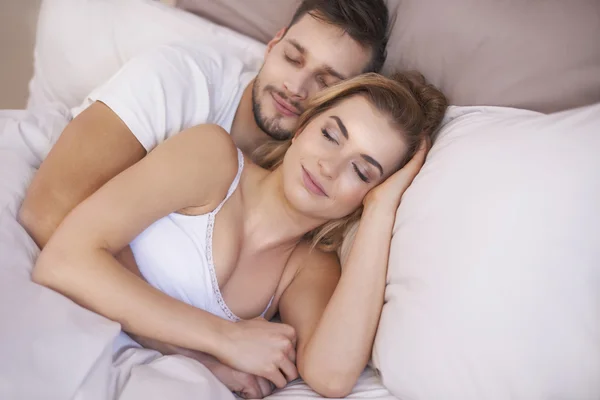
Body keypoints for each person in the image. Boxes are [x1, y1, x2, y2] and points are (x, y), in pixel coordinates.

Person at [31, 71, 448, 399]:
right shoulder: (212, 157)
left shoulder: (309, 268)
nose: (329, 167)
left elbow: (331, 375)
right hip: (56, 344)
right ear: (304, 124)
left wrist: (380, 212)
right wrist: (220, 342)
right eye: (331, 134)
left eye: (362, 171)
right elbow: (64, 260)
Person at [19, 0, 390, 250]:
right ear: (274, 44)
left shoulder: (318, 177)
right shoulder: (180, 80)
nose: (296, 88)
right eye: (293, 58)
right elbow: (45, 212)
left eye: (325, 83)